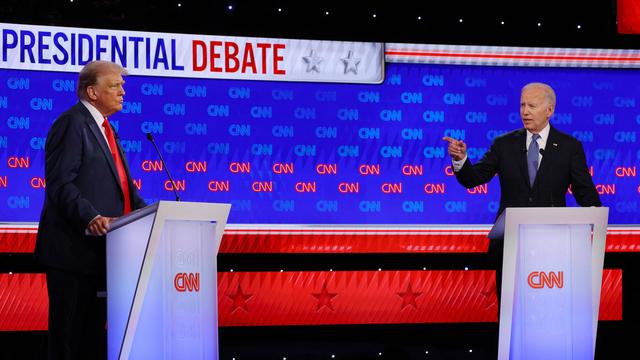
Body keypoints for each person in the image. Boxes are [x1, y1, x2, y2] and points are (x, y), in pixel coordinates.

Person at [443, 82, 601, 305]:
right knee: (511, 309)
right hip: (512, 245)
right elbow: (474, 178)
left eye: (532, 106)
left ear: (550, 110)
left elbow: (584, 190)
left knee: (550, 306)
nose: (525, 111)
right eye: (522, 105)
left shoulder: (569, 146)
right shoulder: (504, 144)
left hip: (553, 245)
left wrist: (595, 218)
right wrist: (461, 160)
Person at [35, 60, 146, 359]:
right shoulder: (72, 123)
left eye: (122, 86)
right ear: (92, 92)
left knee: (93, 342)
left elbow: (125, 188)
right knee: (68, 340)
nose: (122, 91)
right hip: (73, 253)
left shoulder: (107, 130)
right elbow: (60, 182)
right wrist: (90, 216)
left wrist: (153, 216)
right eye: (115, 86)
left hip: (105, 253)